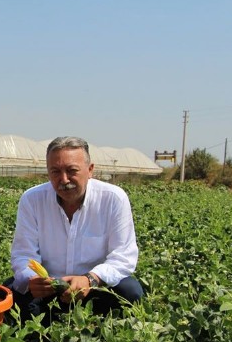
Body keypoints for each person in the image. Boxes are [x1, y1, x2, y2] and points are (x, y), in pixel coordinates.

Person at [8, 136, 144, 325]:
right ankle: (33, 336)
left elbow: (123, 257)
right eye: (55, 171)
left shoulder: (113, 199)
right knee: (7, 293)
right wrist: (33, 279)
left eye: (72, 171)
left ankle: (107, 331)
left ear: (90, 170)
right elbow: (23, 254)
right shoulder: (32, 200)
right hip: (49, 288)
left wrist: (91, 279)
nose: (63, 180)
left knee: (130, 292)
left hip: (95, 287)